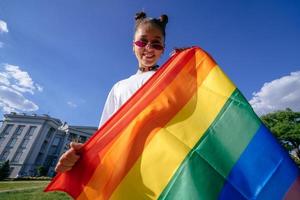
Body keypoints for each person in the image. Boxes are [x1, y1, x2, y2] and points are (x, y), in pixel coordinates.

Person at [55, 11, 172, 173]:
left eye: (156, 44)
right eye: (142, 42)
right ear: (133, 46)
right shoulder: (119, 87)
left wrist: (187, 65)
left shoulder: (171, 77)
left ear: (163, 49)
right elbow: (105, 137)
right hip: (129, 170)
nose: (149, 48)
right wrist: (81, 157)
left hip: (166, 165)